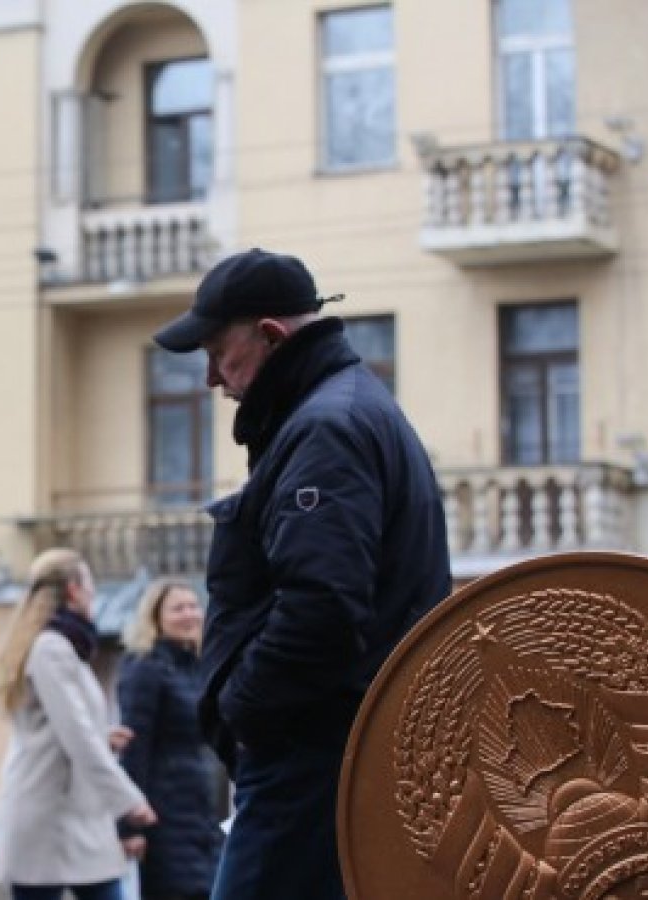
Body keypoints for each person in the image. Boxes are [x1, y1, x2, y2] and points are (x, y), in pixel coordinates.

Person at [151, 248, 451, 900]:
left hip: (310, 755)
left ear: (270, 335)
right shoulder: (343, 410)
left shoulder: (325, 430)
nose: (211, 377)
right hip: (342, 746)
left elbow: (322, 609)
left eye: (218, 352)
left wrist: (244, 712)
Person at [0, 548, 158, 900]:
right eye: (90, 583)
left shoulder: (58, 646)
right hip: (50, 817)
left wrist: (103, 736)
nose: (94, 592)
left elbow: (61, 727)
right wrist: (128, 800)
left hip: (69, 813)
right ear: (73, 590)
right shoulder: (51, 648)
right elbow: (77, 737)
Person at [116, 578, 223, 900]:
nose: (189, 614)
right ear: (155, 618)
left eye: (193, 606)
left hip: (201, 815)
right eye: (178, 608)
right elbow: (133, 750)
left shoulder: (197, 668)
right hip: (163, 817)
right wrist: (129, 826)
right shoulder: (145, 669)